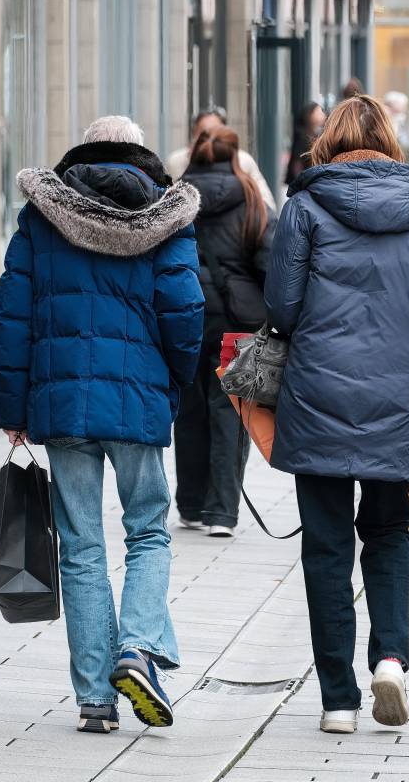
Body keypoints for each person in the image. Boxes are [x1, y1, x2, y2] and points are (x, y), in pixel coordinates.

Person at [0, 116, 204, 732]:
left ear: (81, 149)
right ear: (141, 154)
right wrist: (177, 382)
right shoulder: (167, 219)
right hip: (137, 403)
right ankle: (136, 649)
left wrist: (13, 409)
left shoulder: (42, 217)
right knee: (149, 531)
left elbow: (11, 316)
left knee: (82, 548)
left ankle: (94, 700)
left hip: (60, 406)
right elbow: (186, 312)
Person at [264, 94, 409, 735]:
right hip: (400, 401)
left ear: (328, 140)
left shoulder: (304, 207)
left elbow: (283, 309)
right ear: (390, 140)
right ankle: (390, 659)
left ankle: (337, 700)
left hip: (319, 396)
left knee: (326, 550)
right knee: (387, 535)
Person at [174, 128, 274, 538]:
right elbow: (270, 261)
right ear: (237, 157)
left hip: (184, 315)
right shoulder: (252, 197)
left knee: (189, 410)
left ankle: (191, 506)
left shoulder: (175, 196)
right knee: (231, 409)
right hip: (238, 319)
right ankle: (222, 513)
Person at [167, 107, 276, 209]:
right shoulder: (177, 162)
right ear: (194, 136)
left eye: (216, 133)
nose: (210, 140)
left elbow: (266, 203)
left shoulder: (244, 161)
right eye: (204, 134)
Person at [285, 102, 327, 185]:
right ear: (310, 115)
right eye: (319, 112)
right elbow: (297, 164)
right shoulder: (302, 136)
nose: (323, 115)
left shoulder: (315, 135)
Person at [383, 91, 409, 167]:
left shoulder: (400, 122)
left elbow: (406, 145)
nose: (405, 110)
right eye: (403, 107)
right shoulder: (384, 120)